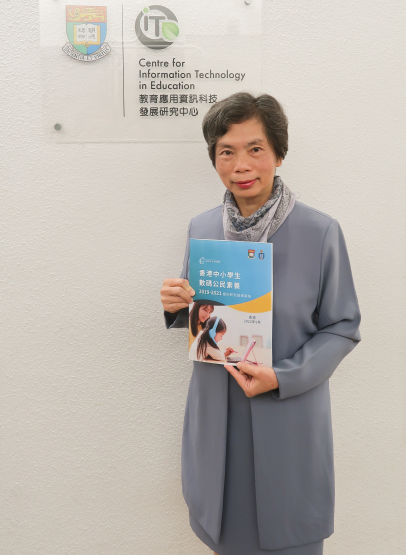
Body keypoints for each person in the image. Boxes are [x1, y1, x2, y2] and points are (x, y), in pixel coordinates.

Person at [160, 92, 361, 555]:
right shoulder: (202, 228)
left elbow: (342, 325)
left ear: (279, 153)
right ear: (214, 159)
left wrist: (283, 377)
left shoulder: (320, 232)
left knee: (290, 533)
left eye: (255, 148)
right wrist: (176, 305)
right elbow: (202, 314)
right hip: (217, 415)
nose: (241, 165)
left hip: (287, 414)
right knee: (224, 532)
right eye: (226, 152)